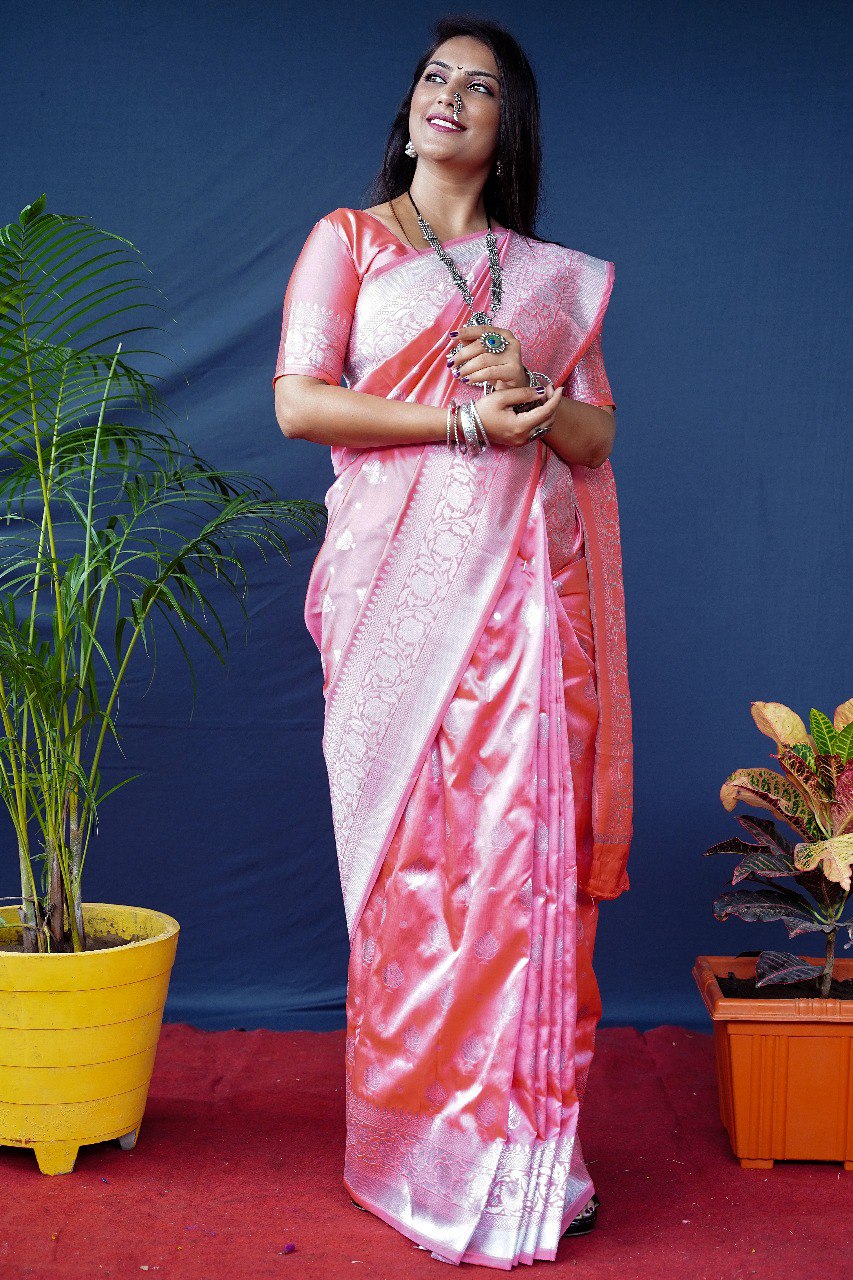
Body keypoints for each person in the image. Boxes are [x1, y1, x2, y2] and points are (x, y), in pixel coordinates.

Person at [272, 15, 633, 1269]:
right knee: (413, 879)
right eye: (436, 76)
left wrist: (527, 389)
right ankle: (415, 1151)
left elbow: (591, 439)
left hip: (525, 615)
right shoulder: (351, 242)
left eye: (479, 87)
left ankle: (527, 1158)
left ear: (505, 123)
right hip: (391, 603)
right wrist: (462, 428)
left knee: (513, 877)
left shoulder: (548, 280)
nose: (451, 97)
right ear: (413, 103)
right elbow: (300, 401)